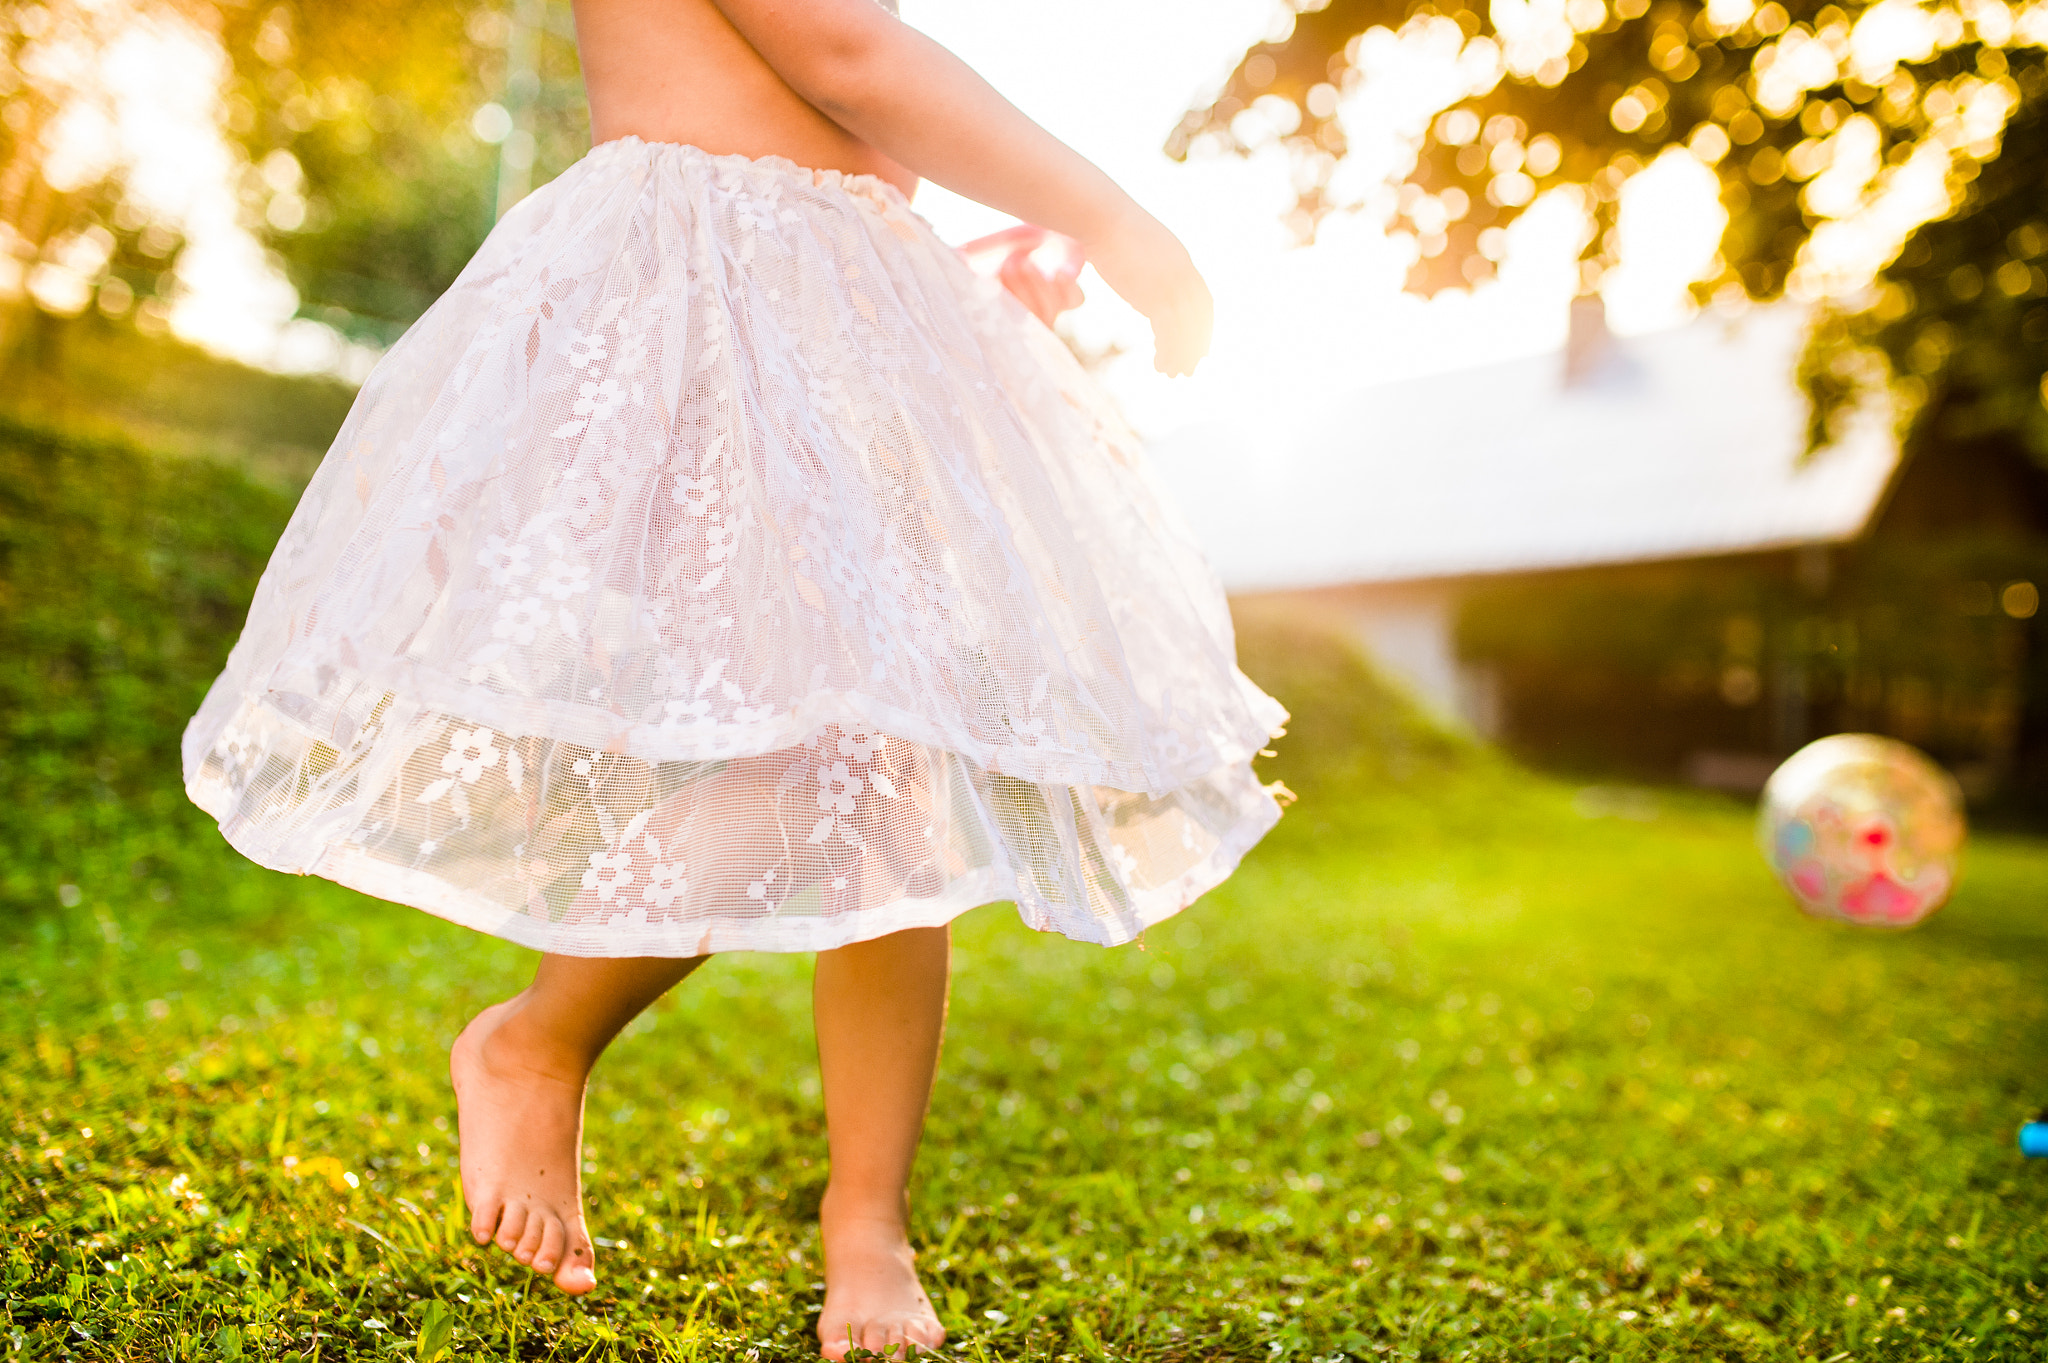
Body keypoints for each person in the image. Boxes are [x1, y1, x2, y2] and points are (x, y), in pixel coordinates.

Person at [181, 0, 1286, 1354]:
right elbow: (849, 57)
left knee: (895, 753)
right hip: (709, 303)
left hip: (823, 313)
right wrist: (1122, 222)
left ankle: (863, 1213)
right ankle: (544, 1037)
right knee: (848, 755)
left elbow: (841, 104)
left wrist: (911, 236)